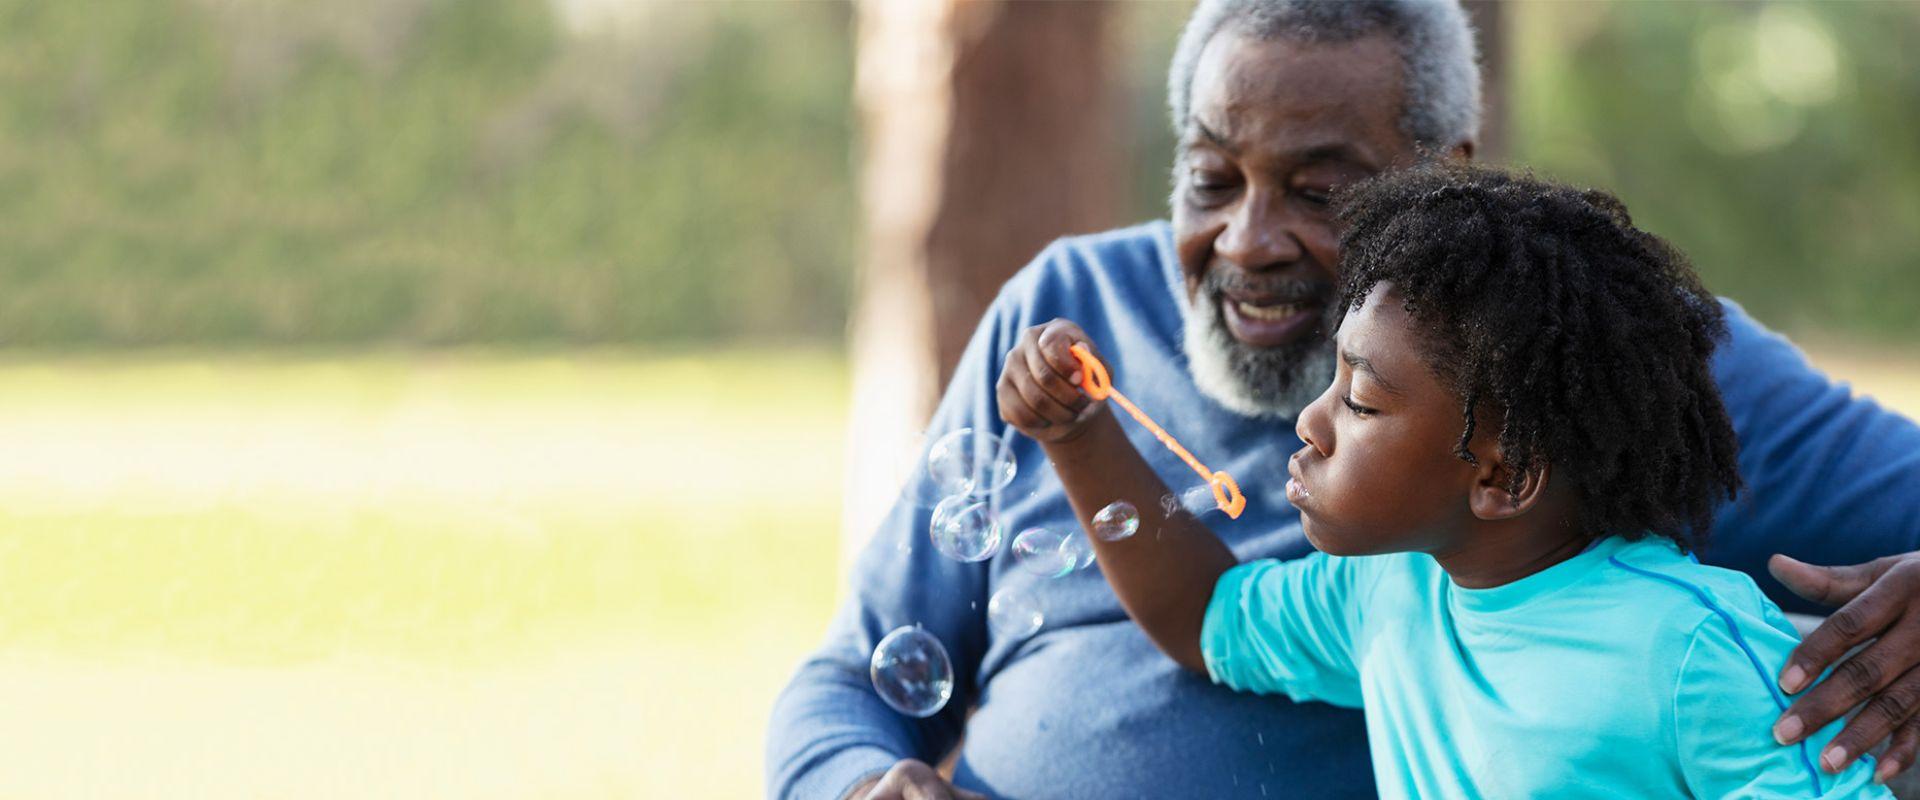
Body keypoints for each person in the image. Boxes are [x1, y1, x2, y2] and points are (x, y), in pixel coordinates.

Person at [766, 2, 1920, 798]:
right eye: (1211, 176)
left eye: (1322, 190)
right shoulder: (1070, 316)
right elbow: (861, 670)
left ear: (1446, 174)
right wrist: (860, 778)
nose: (1249, 240)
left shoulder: (1615, 358)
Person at [1001, 163, 1889, 798]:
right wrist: (1077, 434)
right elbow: (1204, 618)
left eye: (1360, 402)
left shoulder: (1689, 650)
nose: (1311, 422)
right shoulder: (1388, 589)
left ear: (1505, 477)